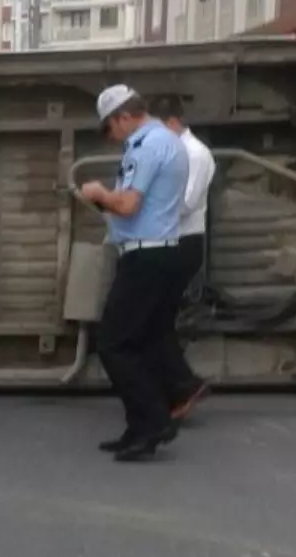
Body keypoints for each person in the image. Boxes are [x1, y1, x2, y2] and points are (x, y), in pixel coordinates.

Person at [80, 85, 189, 462]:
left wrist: (98, 192)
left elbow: (126, 204)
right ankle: (139, 426)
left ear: (124, 117)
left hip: (146, 256)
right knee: (139, 344)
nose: (111, 137)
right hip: (157, 253)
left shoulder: (147, 146)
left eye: (110, 128)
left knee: (114, 344)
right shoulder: (165, 140)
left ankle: (155, 421)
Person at [149, 94, 216, 420]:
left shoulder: (195, 154)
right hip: (169, 243)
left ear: (171, 122)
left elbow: (186, 203)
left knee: (155, 317)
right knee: (156, 319)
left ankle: (184, 386)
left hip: (183, 243)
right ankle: (176, 388)